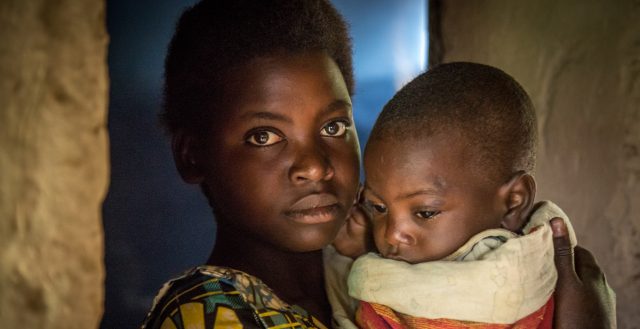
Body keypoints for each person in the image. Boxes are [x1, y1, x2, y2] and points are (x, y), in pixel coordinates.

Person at [140, 1, 615, 328]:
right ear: (193, 156)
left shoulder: (398, 272)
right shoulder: (205, 310)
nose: (315, 167)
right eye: (264, 136)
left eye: (333, 128)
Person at [341, 62, 591, 328]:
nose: (391, 234)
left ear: (513, 202)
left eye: (425, 212)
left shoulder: (527, 277)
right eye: (378, 208)